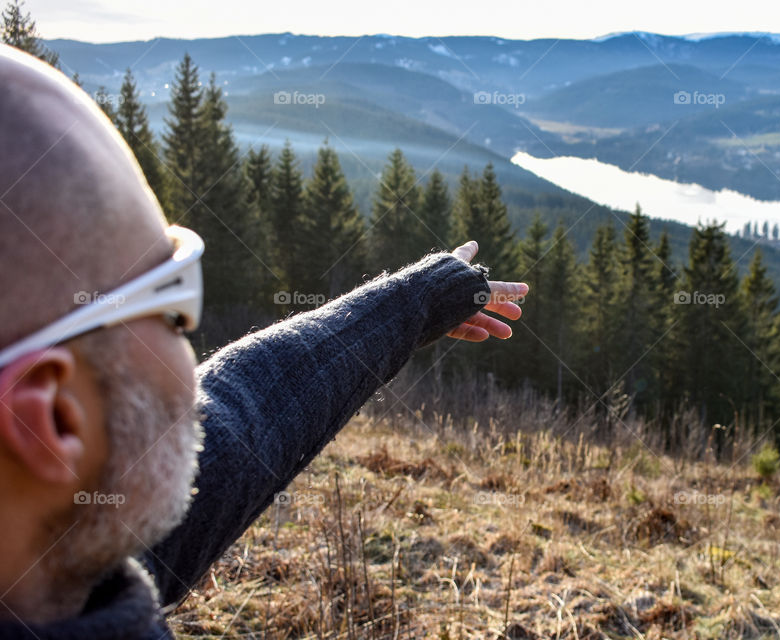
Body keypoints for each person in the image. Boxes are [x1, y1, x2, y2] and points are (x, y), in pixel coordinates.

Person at [0, 44, 528, 638]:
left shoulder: (54, 546)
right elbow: (227, 427)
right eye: (171, 303)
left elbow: (245, 421)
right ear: (55, 418)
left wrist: (414, 304)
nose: (190, 339)